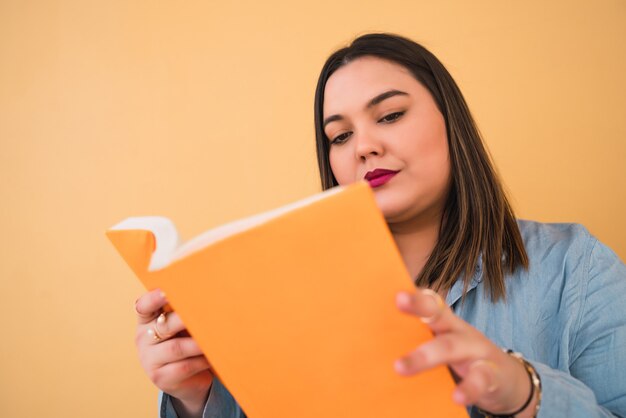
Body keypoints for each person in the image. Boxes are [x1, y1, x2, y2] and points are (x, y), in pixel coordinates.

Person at [134, 33, 626, 418]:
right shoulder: (291, 291)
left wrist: (525, 393)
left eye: (389, 115)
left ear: (451, 122)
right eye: (340, 135)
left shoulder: (572, 267)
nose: (362, 147)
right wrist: (195, 398)